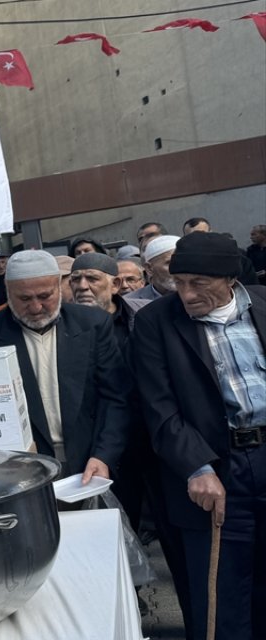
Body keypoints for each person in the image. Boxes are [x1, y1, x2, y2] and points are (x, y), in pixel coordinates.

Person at [130, 231, 266, 639]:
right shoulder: (156, 322)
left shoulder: (262, 302)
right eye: (179, 282)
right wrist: (197, 467)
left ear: (229, 279)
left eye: (198, 284)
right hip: (219, 468)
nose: (186, 295)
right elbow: (160, 408)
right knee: (223, 598)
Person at [0, 250, 131, 482]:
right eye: (24, 299)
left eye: (45, 296)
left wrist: (104, 455)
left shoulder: (93, 324)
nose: (35, 308)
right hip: (24, 467)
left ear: (60, 287)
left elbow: (116, 397)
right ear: (8, 291)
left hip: (91, 461)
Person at [70, 252, 130, 343]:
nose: (82, 286)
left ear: (115, 285)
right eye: (76, 279)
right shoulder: (61, 324)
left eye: (92, 279)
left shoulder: (138, 317)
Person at [127, 234, 180, 307]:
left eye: (182, 262)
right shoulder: (130, 304)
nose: (179, 268)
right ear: (149, 268)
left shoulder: (199, 294)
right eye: (170, 263)